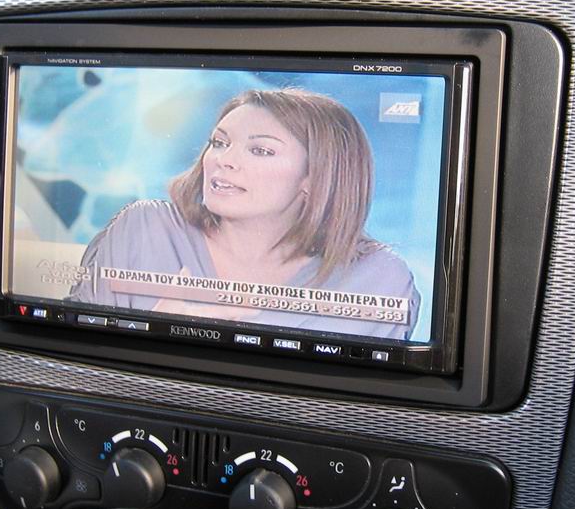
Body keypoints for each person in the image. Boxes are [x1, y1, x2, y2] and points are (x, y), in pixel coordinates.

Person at [70, 88, 420, 340]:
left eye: (261, 150)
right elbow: (75, 354)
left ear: (316, 177)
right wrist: (153, 333)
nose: (223, 160)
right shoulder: (144, 228)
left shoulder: (377, 278)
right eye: (219, 143)